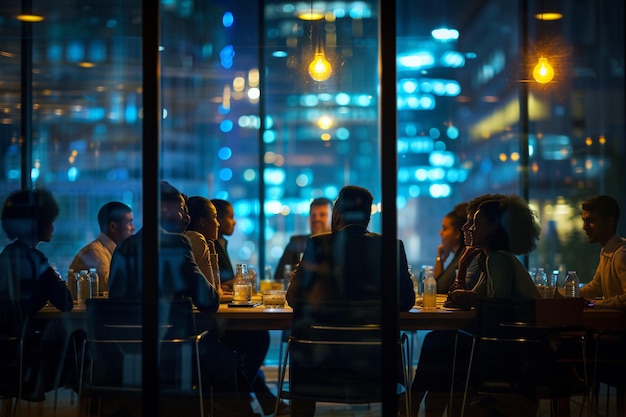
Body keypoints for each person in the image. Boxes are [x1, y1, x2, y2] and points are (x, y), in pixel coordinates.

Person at [109, 182, 255, 417]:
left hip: (124, 355)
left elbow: (115, 300)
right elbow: (209, 301)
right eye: (182, 209)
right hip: (171, 354)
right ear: (163, 207)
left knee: (224, 356)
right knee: (227, 359)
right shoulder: (176, 243)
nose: (187, 217)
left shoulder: (123, 247)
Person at [286, 185, 415, 417]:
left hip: (318, 366)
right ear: (367, 216)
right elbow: (406, 301)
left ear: (336, 215)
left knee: (299, 345)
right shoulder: (392, 247)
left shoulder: (317, 244)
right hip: (375, 365)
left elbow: (294, 298)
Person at [411, 194, 541, 417]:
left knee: (439, 343)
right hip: (506, 344)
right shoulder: (492, 258)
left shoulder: (498, 259)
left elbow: (495, 304)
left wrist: (467, 295)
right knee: (439, 342)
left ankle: (412, 406)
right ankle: (416, 407)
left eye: (475, 223)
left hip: (509, 351)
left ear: (493, 228)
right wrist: (462, 267)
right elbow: (464, 297)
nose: (467, 228)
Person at [206, 198, 286, 415]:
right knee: (258, 338)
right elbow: (216, 285)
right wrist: (238, 281)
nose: (234, 222)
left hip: (218, 316)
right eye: (230, 217)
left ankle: (248, 399)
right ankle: (242, 399)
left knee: (255, 338)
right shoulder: (211, 245)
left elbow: (221, 283)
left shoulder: (219, 244)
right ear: (218, 221)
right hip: (211, 322)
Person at [0, 188, 73, 399]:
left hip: (6, 350)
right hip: (23, 356)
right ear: (38, 223)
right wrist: (54, 276)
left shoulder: (7, 255)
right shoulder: (34, 260)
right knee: (80, 344)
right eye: (50, 220)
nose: (53, 226)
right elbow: (65, 302)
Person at [69, 201, 135, 293]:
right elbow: (113, 287)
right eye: (129, 223)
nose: (133, 228)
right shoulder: (94, 252)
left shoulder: (112, 251)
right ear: (112, 227)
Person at [578, 195, 626, 311]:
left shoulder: (621, 255)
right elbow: (596, 287)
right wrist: (558, 293)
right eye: (584, 221)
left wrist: (598, 303)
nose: (584, 227)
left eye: (590, 221)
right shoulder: (608, 251)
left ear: (609, 221)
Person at [274, 197, 333, 281]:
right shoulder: (296, 244)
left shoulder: (338, 244)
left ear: (333, 217)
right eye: (313, 215)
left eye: (322, 215)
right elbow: (279, 277)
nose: (317, 219)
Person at [185, 196, 222, 297]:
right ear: (203, 221)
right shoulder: (196, 239)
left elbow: (216, 291)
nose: (218, 224)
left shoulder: (196, 239)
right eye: (215, 217)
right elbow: (212, 294)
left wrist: (211, 249)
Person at [433, 202, 467, 293]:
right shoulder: (459, 254)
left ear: (457, 233)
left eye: (445, 228)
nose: (441, 233)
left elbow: (437, 288)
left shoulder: (462, 256)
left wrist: (439, 258)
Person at [211, 198, 237, 291]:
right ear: (218, 219)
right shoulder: (209, 245)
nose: (234, 222)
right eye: (231, 217)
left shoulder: (221, 242)